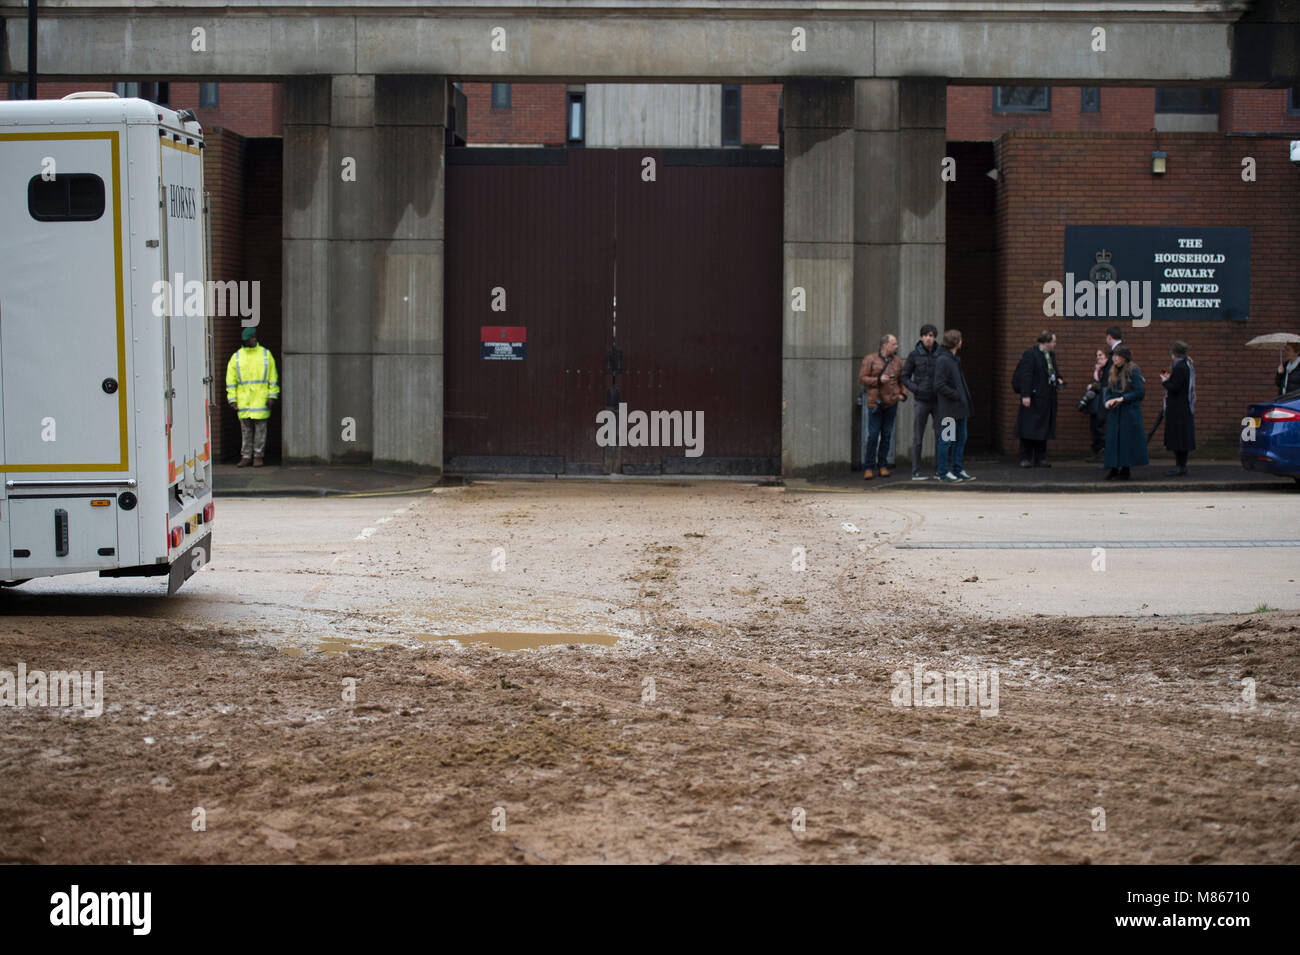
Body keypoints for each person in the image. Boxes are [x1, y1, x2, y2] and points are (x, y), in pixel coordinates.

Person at [225, 326, 280, 467]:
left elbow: (273, 378)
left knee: (260, 431)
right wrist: (232, 400)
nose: (254, 339)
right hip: (244, 402)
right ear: (245, 341)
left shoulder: (265, 355)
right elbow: (231, 381)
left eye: (254, 337)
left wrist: (272, 396)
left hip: (261, 401)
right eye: (251, 338)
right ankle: (247, 456)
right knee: (246, 431)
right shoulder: (237, 357)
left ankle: (257, 456)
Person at [858, 333, 908, 479]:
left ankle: (883, 465)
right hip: (875, 402)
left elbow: (902, 380)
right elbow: (862, 378)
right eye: (894, 344)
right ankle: (868, 466)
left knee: (887, 435)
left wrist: (902, 395)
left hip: (891, 402)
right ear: (885, 345)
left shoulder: (897, 361)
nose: (896, 346)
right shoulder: (870, 359)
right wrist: (878, 380)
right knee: (873, 436)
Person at [1012, 329, 1064, 467]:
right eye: (1053, 341)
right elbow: (1026, 376)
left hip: (1047, 398)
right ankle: (1025, 457)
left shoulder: (1050, 356)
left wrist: (1059, 379)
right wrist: (1026, 395)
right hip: (1034, 397)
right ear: (1046, 342)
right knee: (1028, 427)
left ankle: (1041, 458)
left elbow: (1054, 372)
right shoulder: (1031, 355)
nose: (1055, 344)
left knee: (1043, 428)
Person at [934, 328, 975, 483]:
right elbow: (939, 384)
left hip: (960, 409)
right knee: (947, 440)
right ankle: (943, 472)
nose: (962, 342)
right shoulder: (943, 360)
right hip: (949, 409)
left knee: (961, 439)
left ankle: (957, 469)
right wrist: (956, 395)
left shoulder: (953, 359)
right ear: (956, 342)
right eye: (960, 339)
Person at [1101, 344, 1147, 480]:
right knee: (1113, 441)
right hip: (1115, 412)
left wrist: (1123, 398)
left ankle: (1125, 469)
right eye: (1114, 356)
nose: (1115, 359)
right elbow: (1108, 390)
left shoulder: (1133, 370)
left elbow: (1140, 392)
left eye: (1118, 356)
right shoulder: (1112, 371)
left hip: (1128, 412)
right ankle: (1113, 468)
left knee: (1126, 441)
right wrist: (1108, 401)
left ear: (1125, 358)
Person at [901, 324, 941, 480]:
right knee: (918, 436)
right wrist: (915, 389)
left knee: (941, 436)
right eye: (926, 335)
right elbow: (904, 376)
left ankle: (940, 469)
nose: (928, 338)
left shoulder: (941, 354)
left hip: (938, 401)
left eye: (931, 335)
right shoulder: (914, 355)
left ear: (935, 337)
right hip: (921, 400)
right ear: (921, 337)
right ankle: (916, 471)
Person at [1087, 326, 1125, 464]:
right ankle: (1105, 453)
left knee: (1105, 424)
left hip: (1110, 395)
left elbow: (1114, 376)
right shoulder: (1117, 351)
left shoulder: (1118, 351)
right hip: (1109, 394)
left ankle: (1108, 455)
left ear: (1109, 337)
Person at [1159, 341, 1196, 477]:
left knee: (1178, 438)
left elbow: (1175, 387)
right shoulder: (1187, 365)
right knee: (1182, 438)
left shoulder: (1179, 367)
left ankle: (1180, 466)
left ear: (1174, 354)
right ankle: (1182, 465)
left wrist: (1165, 381)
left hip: (1178, 409)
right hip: (1184, 407)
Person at [1082, 348, 1108, 461]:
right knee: (1094, 428)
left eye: (1101, 356)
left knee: (1100, 428)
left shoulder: (1106, 371)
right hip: (1095, 405)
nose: (1098, 358)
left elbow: (1103, 385)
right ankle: (1097, 452)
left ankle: (1103, 452)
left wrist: (1093, 386)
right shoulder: (1098, 371)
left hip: (1102, 404)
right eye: (1097, 356)